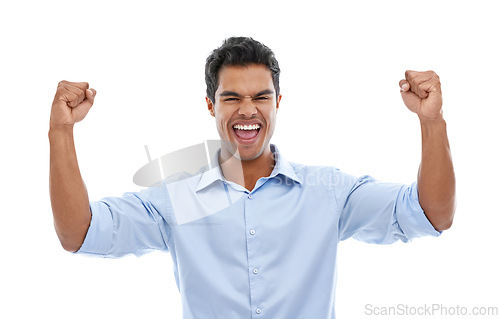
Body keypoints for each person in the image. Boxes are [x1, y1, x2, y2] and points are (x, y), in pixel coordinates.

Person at [49, 37, 456, 319]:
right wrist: (61, 132)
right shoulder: (178, 199)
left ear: (277, 103)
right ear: (211, 105)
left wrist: (431, 122)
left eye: (261, 97)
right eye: (231, 98)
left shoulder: (328, 193)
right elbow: (80, 233)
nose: (248, 110)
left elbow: (431, 213)